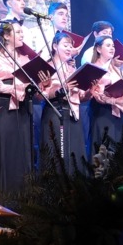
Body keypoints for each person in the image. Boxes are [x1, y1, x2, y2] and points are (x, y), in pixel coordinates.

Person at [0, 22, 44, 200]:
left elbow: (33, 83)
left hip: (23, 106)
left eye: (22, 32)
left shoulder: (25, 58)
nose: (22, 35)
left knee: (22, 149)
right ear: (6, 36)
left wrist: (40, 82)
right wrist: (14, 88)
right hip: (3, 105)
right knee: (2, 147)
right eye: (18, 32)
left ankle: (22, 197)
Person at [39, 31, 92, 173]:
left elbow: (80, 96)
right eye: (66, 45)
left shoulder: (72, 69)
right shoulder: (47, 67)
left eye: (71, 46)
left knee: (74, 152)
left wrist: (90, 91)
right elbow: (41, 95)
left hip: (73, 113)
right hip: (55, 111)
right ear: (55, 46)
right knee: (56, 154)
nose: (69, 48)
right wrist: (61, 88)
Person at [89, 34, 123, 154]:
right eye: (108, 45)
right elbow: (97, 96)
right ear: (99, 49)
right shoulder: (94, 68)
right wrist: (115, 100)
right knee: (104, 150)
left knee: (117, 151)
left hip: (118, 114)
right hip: (103, 113)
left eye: (113, 46)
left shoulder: (115, 69)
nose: (112, 48)